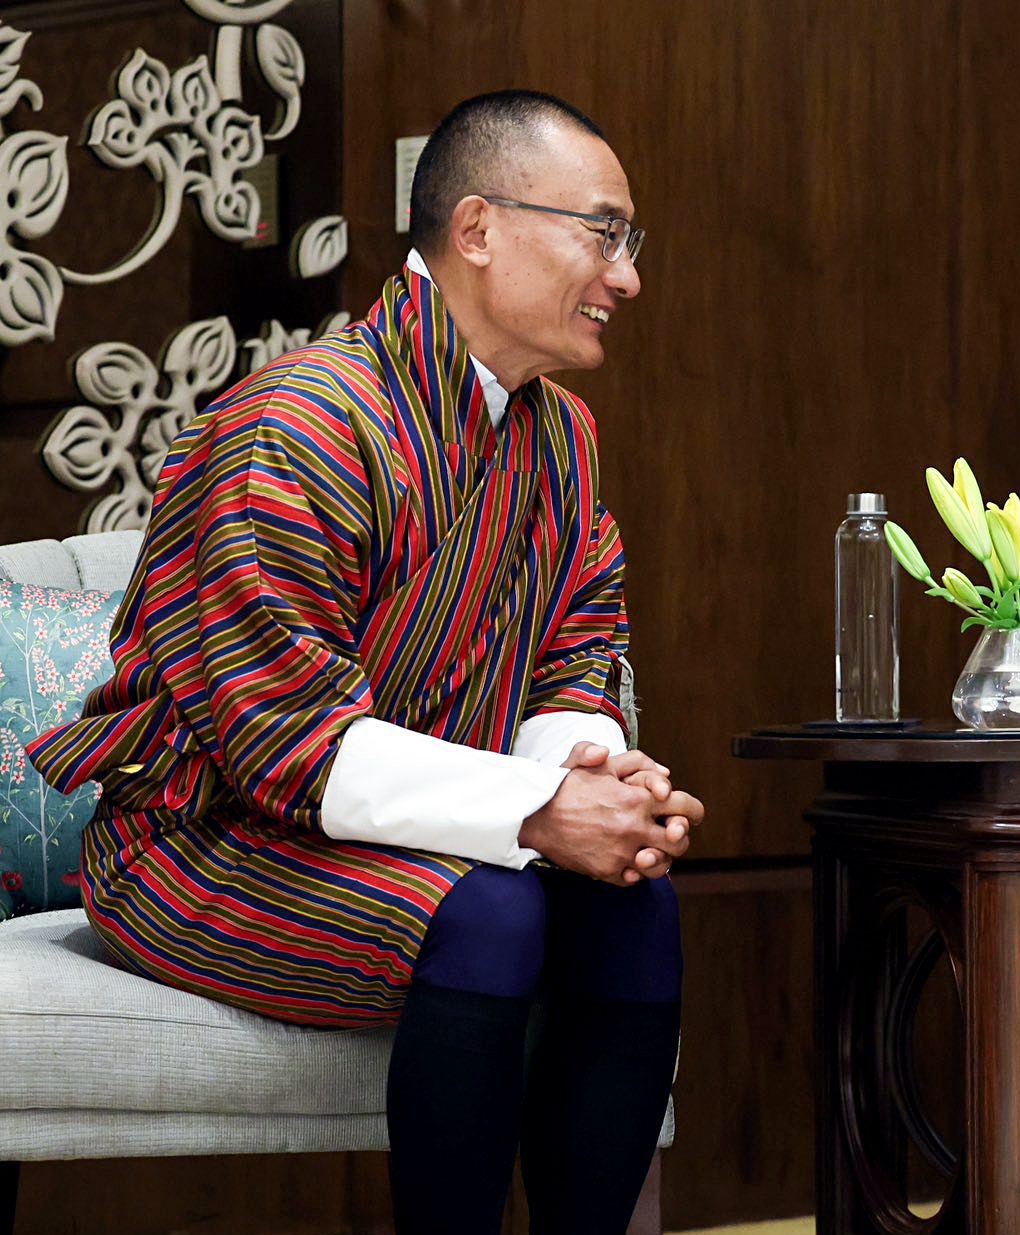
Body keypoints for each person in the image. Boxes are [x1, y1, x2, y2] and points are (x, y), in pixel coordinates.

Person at [30, 90, 693, 1235]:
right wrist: (542, 810)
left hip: (410, 831)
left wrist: (590, 775)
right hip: (208, 843)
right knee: (493, 915)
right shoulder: (295, 425)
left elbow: (578, 650)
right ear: (478, 229)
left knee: (634, 906)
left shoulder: (561, 436)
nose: (625, 276)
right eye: (605, 233)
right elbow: (294, 746)